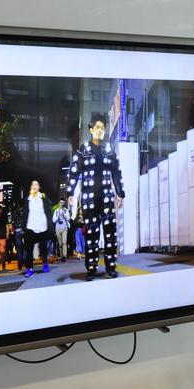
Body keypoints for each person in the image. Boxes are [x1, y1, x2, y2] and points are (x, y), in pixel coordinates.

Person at [66, 114, 125, 279]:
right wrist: (69, 193)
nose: (100, 130)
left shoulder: (108, 150)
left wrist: (120, 193)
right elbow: (74, 172)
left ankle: (111, 268)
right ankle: (91, 269)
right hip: (89, 200)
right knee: (91, 235)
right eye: (97, 127)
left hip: (106, 198)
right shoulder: (83, 150)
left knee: (110, 234)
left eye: (102, 127)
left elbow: (116, 172)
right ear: (91, 130)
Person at [20, 180, 53, 277]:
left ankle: (45, 263)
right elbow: (25, 214)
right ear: (31, 187)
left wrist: (50, 224)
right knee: (28, 249)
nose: (34, 186)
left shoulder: (43, 197)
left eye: (36, 184)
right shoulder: (28, 199)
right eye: (32, 185)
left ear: (39, 187)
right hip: (30, 227)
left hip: (42, 226)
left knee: (43, 247)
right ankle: (29, 269)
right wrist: (23, 227)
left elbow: (48, 211)